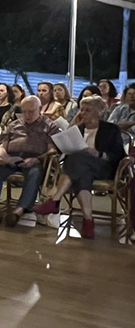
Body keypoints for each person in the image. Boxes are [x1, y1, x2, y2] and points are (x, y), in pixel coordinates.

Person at [34, 95, 125, 239]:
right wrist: (72, 126)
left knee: (78, 158)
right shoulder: (78, 128)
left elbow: (119, 154)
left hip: (104, 168)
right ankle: (88, 220)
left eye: (87, 110)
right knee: (82, 173)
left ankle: (55, 200)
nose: (82, 113)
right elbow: (62, 148)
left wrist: (98, 153)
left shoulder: (111, 129)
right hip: (81, 169)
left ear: (99, 112)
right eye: (81, 109)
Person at [0, 96, 61, 227]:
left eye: (31, 111)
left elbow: (52, 150)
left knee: (34, 173)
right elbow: (2, 146)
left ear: (40, 109)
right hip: (12, 157)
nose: (27, 115)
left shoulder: (49, 125)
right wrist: (3, 157)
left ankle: (18, 211)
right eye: (24, 111)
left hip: (35, 159)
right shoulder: (14, 124)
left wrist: (37, 159)